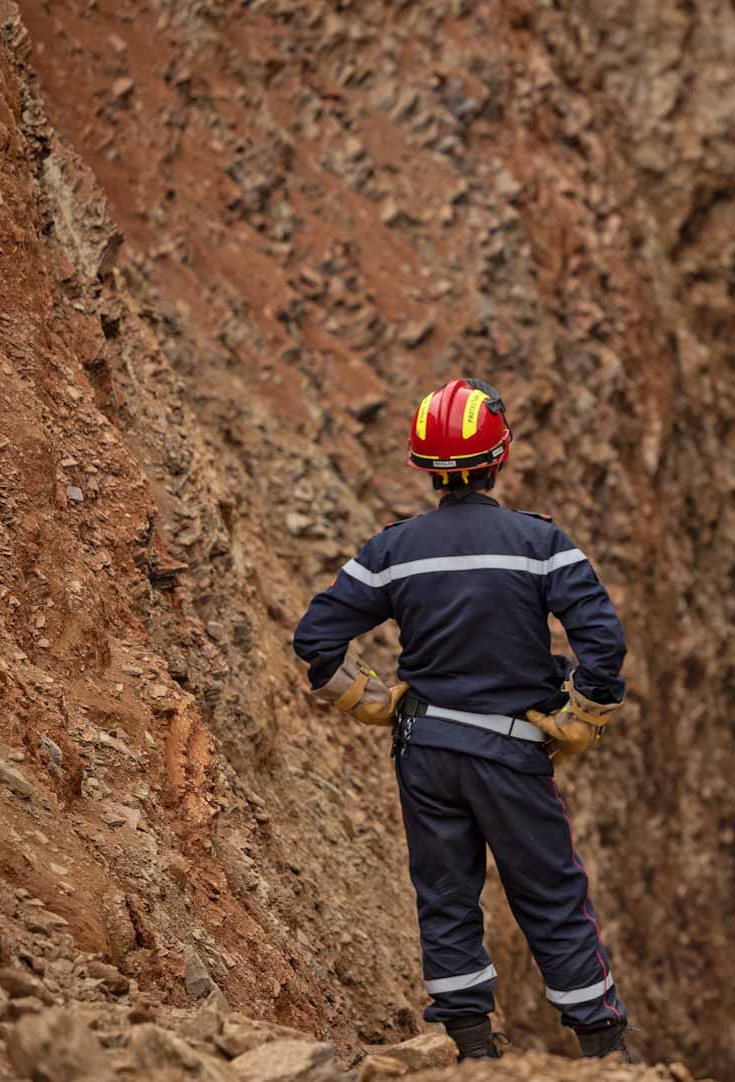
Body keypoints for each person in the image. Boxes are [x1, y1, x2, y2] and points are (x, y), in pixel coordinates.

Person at [292, 379, 631, 1061]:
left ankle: (470, 1048)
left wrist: (360, 696)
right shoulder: (539, 543)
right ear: (498, 457)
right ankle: (603, 1048)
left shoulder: (392, 550)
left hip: (425, 747)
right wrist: (584, 710)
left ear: (425, 468)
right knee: (550, 891)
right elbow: (603, 639)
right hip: (508, 751)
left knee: (446, 894)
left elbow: (315, 637)